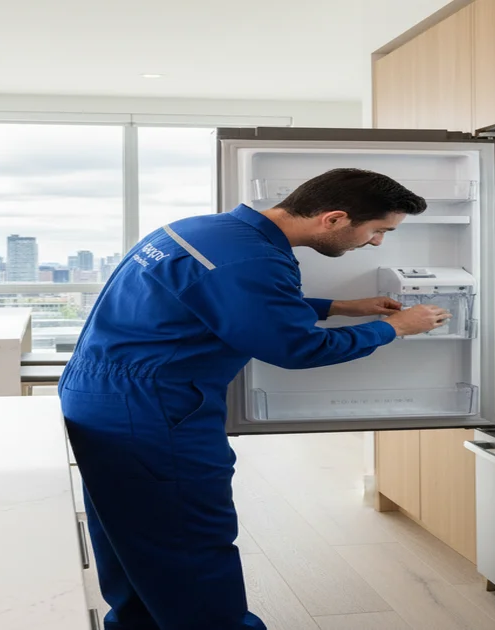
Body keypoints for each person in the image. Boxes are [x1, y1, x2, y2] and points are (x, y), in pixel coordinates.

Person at [59, 168, 451, 630]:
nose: (377, 242)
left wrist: (339, 307)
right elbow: (295, 347)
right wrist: (394, 328)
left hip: (101, 393)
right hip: (152, 408)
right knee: (189, 539)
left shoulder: (205, 230)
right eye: (379, 230)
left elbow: (228, 301)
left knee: (131, 536)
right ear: (334, 218)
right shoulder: (254, 259)